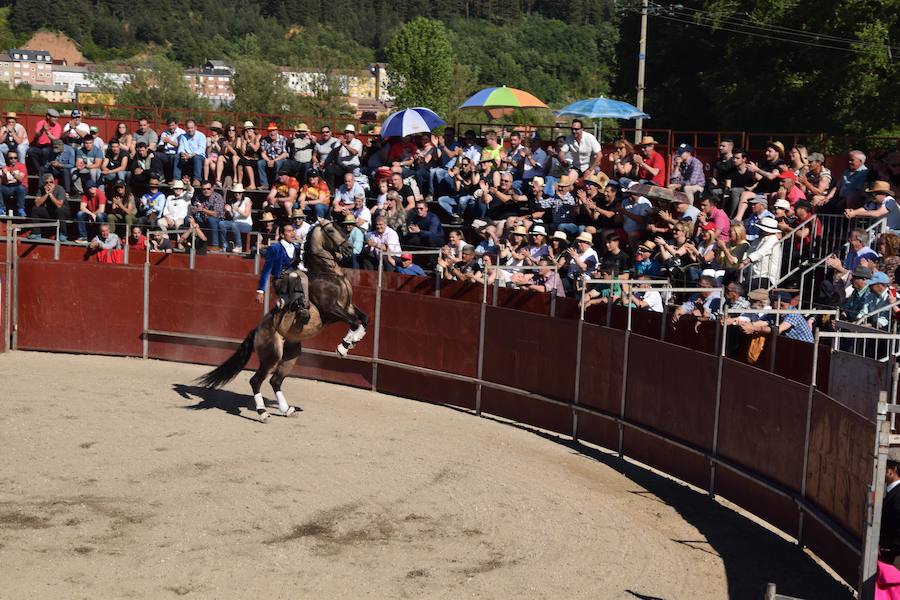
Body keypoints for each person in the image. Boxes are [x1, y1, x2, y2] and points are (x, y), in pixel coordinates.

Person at [256, 223, 309, 321]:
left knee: (305, 277)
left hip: (294, 274)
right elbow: (266, 270)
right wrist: (260, 291)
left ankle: (305, 304)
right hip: (281, 278)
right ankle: (297, 305)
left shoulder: (296, 248)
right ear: (282, 234)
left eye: (293, 231)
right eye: (289, 231)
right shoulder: (275, 248)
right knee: (294, 277)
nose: (292, 233)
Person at [30, 173, 69, 240]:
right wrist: (47, 194)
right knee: (35, 209)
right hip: (50, 210)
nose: (49, 184)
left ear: (54, 181)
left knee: (60, 210)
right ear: (43, 183)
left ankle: (63, 234)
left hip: (63, 211)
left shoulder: (60, 188)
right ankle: (36, 233)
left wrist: (51, 194)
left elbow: (59, 205)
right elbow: (37, 203)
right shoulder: (41, 189)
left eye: (51, 182)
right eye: (46, 182)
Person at [879, 447, 900, 567]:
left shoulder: (898, 495)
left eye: (883, 467)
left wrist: (889, 550)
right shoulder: (891, 491)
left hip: (893, 557)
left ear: (893, 470)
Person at [191, 181, 226, 249]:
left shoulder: (217, 197)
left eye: (208, 189)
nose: (206, 191)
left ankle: (215, 245)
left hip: (217, 220)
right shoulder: (199, 196)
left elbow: (217, 213)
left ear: (212, 188)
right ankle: (187, 243)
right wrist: (195, 209)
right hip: (202, 219)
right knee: (188, 219)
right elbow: (194, 208)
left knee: (211, 220)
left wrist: (203, 210)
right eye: (204, 189)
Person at [220, 183, 253, 253]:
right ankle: (225, 244)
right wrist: (229, 211)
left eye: (239, 193)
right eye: (235, 193)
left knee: (234, 225)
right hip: (235, 222)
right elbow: (233, 216)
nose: (237, 194)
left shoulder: (247, 200)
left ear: (242, 193)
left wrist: (238, 209)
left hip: (246, 224)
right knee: (222, 223)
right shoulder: (233, 202)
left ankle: (239, 246)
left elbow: (246, 214)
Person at [0, 149, 27, 216]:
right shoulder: (5, 167)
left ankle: (21, 209)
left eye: (15, 158)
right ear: (7, 158)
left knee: (21, 188)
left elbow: (20, 178)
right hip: (8, 187)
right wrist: (3, 175)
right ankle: (2, 209)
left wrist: (12, 173)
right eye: (11, 158)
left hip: (20, 188)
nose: (13, 160)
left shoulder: (22, 166)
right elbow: (2, 182)